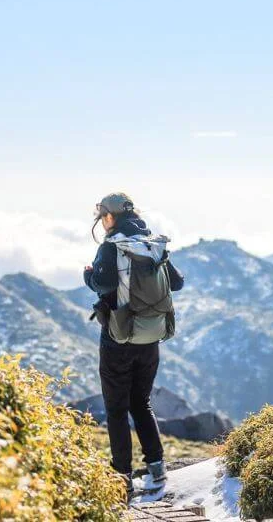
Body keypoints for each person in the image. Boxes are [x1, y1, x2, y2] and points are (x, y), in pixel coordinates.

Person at [83, 192, 184, 500]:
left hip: (119, 337)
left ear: (110, 217)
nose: (102, 222)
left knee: (116, 410)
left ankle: (121, 479)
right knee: (141, 403)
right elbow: (177, 283)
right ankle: (156, 469)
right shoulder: (153, 244)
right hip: (150, 337)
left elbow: (103, 284)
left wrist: (87, 275)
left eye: (102, 217)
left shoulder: (111, 246)